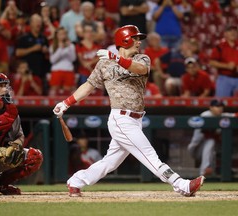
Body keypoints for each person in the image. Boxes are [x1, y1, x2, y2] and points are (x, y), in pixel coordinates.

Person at [53, 25, 205, 197]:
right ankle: (181, 184)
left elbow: (140, 69)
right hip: (121, 118)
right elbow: (88, 86)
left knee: (110, 163)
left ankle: (76, 181)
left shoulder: (142, 58)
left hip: (136, 119)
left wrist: (116, 58)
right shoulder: (104, 64)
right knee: (149, 154)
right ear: (124, 40)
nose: (138, 42)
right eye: (135, 38)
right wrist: (66, 103)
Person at [187, 99, 238, 176]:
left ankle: (209, 173)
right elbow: (197, 140)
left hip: (211, 151)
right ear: (211, 107)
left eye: (221, 106)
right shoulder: (205, 116)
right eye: (217, 106)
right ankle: (203, 172)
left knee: (212, 144)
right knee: (210, 141)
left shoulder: (223, 116)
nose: (220, 108)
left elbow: (234, 115)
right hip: (196, 149)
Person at [208, 25, 238, 97]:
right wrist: (227, 66)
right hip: (224, 78)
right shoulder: (220, 47)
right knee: (221, 102)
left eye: (235, 31)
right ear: (225, 34)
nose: (233, 33)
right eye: (230, 31)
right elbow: (212, 62)